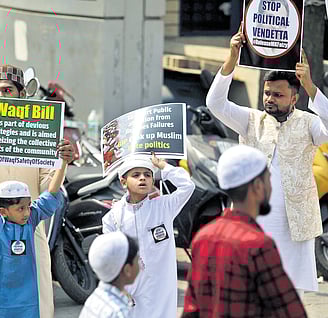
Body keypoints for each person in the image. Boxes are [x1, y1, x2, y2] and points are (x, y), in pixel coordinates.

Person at [205, 27, 328, 295]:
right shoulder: (250, 120)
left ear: (295, 97)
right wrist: (231, 59)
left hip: (294, 223)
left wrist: (311, 86)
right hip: (254, 219)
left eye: (278, 94)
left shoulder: (309, 123)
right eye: (267, 93)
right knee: (251, 287)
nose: (269, 99)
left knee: (289, 291)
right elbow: (215, 103)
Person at [0, 64, 75, 318]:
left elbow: (47, 186)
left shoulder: (37, 132)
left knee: (33, 302)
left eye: (8, 90)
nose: (1, 96)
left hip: (27, 227)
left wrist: (63, 161)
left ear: (21, 95)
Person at [182, 144, 307, 318]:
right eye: (268, 179)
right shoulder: (258, 245)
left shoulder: (203, 238)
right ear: (257, 186)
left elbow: (191, 309)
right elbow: (291, 312)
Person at [0, 141, 67, 317]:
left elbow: (49, 192)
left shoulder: (31, 218)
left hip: (31, 244)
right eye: (20, 208)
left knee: (36, 303)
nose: (24, 212)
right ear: (2, 211)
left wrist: (62, 162)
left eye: (27, 207)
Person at [102, 153, 195, 318]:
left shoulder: (164, 206)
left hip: (161, 284)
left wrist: (163, 167)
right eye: (136, 175)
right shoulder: (113, 217)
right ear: (123, 181)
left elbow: (187, 186)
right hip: (130, 286)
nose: (142, 178)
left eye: (147, 175)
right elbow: (109, 256)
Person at [79, 232, 140, 318]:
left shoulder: (95, 298)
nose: (140, 265)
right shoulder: (119, 312)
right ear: (127, 270)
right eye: (137, 260)